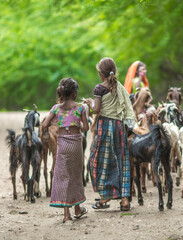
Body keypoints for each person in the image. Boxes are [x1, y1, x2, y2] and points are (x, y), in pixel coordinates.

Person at [84, 57, 135, 211]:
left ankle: (105, 197)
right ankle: (125, 200)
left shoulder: (99, 89)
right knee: (122, 161)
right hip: (119, 127)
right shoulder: (119, 87)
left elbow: (97, 110)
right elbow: (126, 106)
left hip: (104, 127)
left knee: (98, 160)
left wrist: (89, 104)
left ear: (101, 73)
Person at [42, 77, 89, 223]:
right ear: (75, 93)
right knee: (75, 175)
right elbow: (86, 128)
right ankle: (77, 208)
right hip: (76, 144)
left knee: (63, 176)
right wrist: (80, 124)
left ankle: (66, 214)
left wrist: (57, 121)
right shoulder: (81, 107)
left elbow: (44, 124)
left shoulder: (56, 108)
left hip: (62, 145)